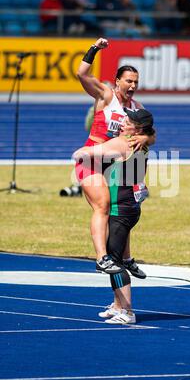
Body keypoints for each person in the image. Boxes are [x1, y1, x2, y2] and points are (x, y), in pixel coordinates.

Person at [75, 38, 155, 275]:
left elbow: (152, 134)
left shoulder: (136, 106)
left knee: (124, 209)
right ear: (118, 80)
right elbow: (81, 74)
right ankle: (102, 258)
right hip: (90, 161)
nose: (132, 85)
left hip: (114, 166)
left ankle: (126, 258)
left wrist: (144, 139)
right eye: (128, 81)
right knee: (103, 205)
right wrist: (95, 49)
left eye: (136, 82)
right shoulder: (105, 96)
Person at [73, 107, 155, 324]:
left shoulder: (122, 143)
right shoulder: (143, 142)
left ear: (136, 127)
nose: (123, 121)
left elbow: (83, 153)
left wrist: (86, 151)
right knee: (117, 256)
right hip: (132, 207)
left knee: (114, 261)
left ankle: (127, 312)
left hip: (120, 208)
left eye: (127, 120)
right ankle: (118, 305)